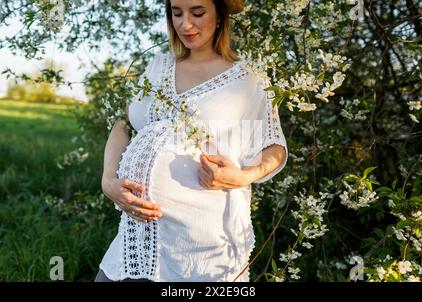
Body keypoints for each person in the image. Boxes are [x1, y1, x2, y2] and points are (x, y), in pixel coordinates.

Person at [95, 0, 288, 282]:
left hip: (200, 246)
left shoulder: (249, 78)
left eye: (197, 13)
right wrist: (108, 181)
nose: (185, 24)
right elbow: (123, 124)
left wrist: (242, 176)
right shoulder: (158, 66)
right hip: (137, 235)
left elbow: (275, 148)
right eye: (177, 13)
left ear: (220, 15)